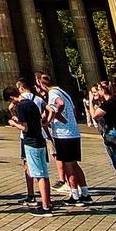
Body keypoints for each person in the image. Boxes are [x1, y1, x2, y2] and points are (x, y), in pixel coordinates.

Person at [38, 72, 90, 206]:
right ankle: (85, 192)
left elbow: (59, 105)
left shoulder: (53, 93)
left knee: (68, 166)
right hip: (73, 132)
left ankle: (75, 196)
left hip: (63, 134)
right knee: (74, 164)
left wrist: (52, 117)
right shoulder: (63, 91)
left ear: (42, 84)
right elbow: (72, 109)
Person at [6, 86, 53, 215]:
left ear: (11, 97)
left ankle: (45, 207)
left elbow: (24, 128)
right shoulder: (32, 103)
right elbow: (37, 119)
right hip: (40, 139)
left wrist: (13, 123)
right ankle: (47, 203)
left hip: (31, 142)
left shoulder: (21, 106)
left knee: (38, 175)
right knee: (44, 174)